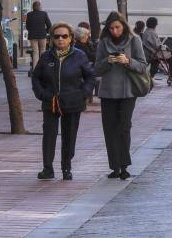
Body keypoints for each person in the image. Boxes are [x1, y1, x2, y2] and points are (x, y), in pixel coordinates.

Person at [32, 22, 95, 180]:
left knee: (69, 136)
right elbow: (36, 77)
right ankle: (48, 168)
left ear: (71, 38)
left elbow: (90, 76)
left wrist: (84, 94)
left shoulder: (79, 55)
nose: (60, 39)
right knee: (49, 135)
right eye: (56, 36)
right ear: (52, 39)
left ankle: (66, 168)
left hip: (72, 102)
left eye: (64, 36)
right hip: (51, 102)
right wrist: (42, 94)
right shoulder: (46, 56)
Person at [95, 11, 148, 180]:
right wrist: (108, 62)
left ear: (124, 26)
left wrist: (127, 61)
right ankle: (114, 167)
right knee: (109, 129)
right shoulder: (103, 43)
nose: (114, 31)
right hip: (108, 92)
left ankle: (124, 165)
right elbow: (96, 68)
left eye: (117, 27)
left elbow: (143, 66)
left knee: (123, 128)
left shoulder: (134, 40)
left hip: (127, 92)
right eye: (111, 28)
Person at [25, 1, 52, 75]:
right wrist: (45, 31)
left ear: (33, 7)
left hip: (32, 36)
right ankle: (43, 68)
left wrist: (31, 30)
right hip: (42, 35)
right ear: (39, 6)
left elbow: (27, 26)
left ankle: (35, 70)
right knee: (43, 51)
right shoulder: (44, 14)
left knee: (35, 52)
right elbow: (49, 25)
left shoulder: (29, 14)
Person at [74, 26, 97, 104]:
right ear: (82, 37)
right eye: (87, 35)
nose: (88, 36)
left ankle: (88, 97)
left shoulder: (88, 44)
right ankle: (86, 97)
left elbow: (93, 55)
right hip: (83, 69)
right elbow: (90, 56)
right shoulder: (78, 46)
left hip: (90, 66)